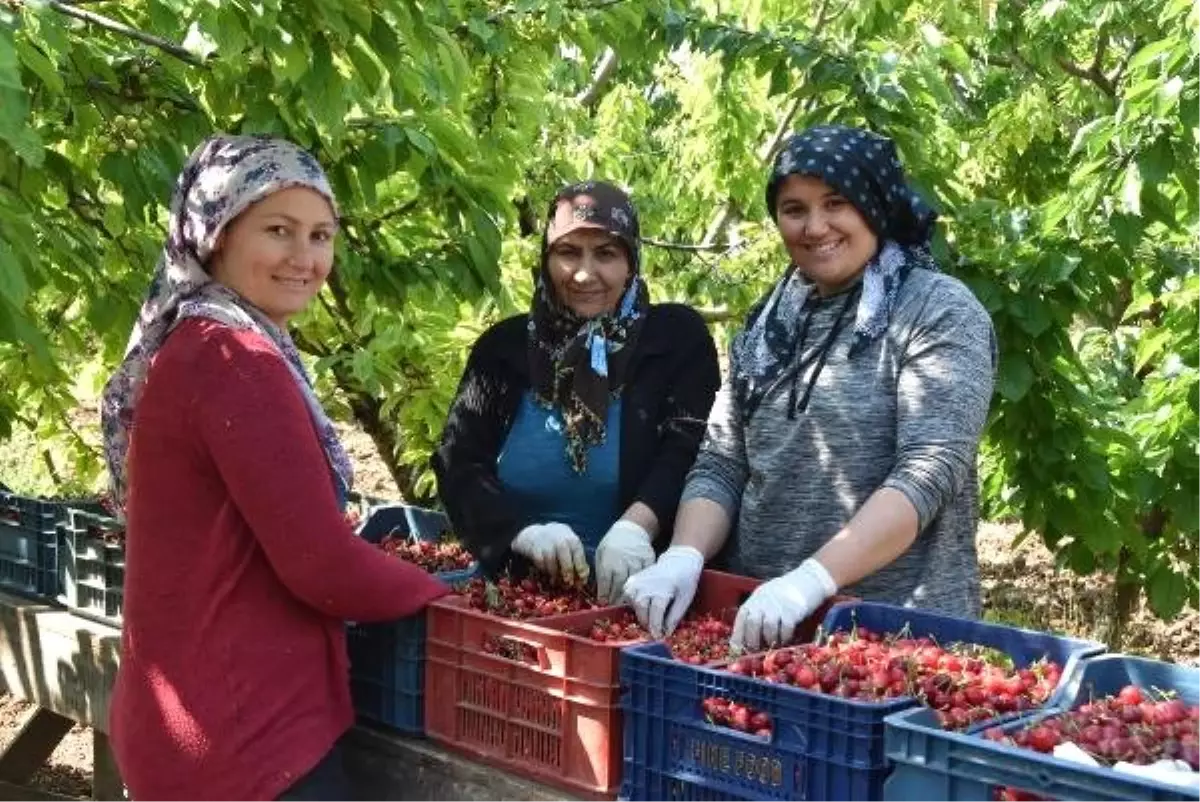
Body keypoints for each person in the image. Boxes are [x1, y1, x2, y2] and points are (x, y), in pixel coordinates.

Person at [99, 134, 450, 802]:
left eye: (321, 235)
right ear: (216, 236)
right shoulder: (237, 363)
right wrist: (448, 594)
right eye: (279, 230)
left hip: (189, 724)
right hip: (243, 742)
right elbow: (323, 567)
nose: (305, 258)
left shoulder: (195, 341)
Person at [623, 124, 997, 650]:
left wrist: (811, 581)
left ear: (874, 204)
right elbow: (723, 461)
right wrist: (684, 554)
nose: (815, 226)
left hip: (896, 636)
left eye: (836, 203)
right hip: (759, 623)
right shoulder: (769, 322)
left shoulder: (937, 311)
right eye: (794, 209)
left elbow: (929, 470)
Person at [432, 181, 721, 603]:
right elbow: (458, 461)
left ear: (630, 261)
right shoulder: (503, 349)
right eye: (568, 253)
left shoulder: (675, 338)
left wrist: (637, 526)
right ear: (546, 260)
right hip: (521, 594)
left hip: (643, 592)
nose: (586, 273)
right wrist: (520, 533)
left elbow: (691, 446)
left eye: (606, 253)